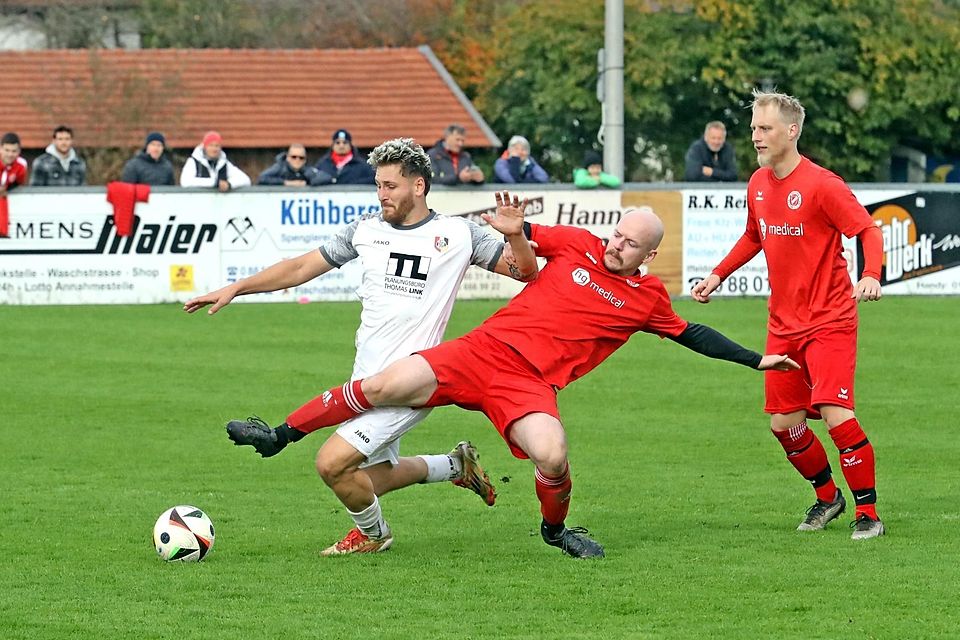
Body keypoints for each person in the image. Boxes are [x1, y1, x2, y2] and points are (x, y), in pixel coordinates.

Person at [224, 206, 800, 559]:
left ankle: (555, 531)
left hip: (528, 384)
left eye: (630, 243)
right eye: (616, 234)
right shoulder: (577, 243)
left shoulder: (647, 298)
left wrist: (756, 360)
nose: (616, 244)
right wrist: (515, 231)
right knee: (381, 385)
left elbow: (692, 333)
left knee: (552, 454)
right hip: (481, 351)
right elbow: (524, 242)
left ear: (650, 253)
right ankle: (278, 434)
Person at [184, 138, 540, 555]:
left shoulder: (459, 233)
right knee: (372, 477)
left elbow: (523, 271)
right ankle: (454, 465)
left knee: (332, 463)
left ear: (419, 186)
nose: (381, 194)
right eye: (378, 185)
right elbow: (300, 267)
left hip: (413, 381)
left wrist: (516, 237)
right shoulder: (366, 230)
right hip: (365, 377)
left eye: (390, 186)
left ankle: (374, 534)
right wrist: (238, 287)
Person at [691, 89, 885, 540]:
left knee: (836, 414)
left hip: (830, 320)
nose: (756, 136)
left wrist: (871, 275)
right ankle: (828, 497)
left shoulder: (823, 184)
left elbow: (868, 230)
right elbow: (753, 236)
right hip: (783, 324)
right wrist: (717, 275)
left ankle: (868, 513)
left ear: (792, 131)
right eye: (753, 128)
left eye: (765, 128)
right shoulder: (758, 183)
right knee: (784, 424)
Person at [180, 130, 251, 191]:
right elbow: (185, 182)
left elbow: (246, 180)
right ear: (204, 147)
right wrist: (214, 183)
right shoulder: (193, 162)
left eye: (217, 146)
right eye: (211, 145)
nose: (214, 149)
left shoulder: (224, 164)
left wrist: (229, 184)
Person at [257, 144, 332, 187]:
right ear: (288, 158)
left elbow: (327, 178)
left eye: (301, 158)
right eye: (294, 157)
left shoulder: (307, 170)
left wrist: (308, 183)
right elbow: (262, 178)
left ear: (305, 160)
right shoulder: (280, 167)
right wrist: (286, 183)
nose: (297, 160)